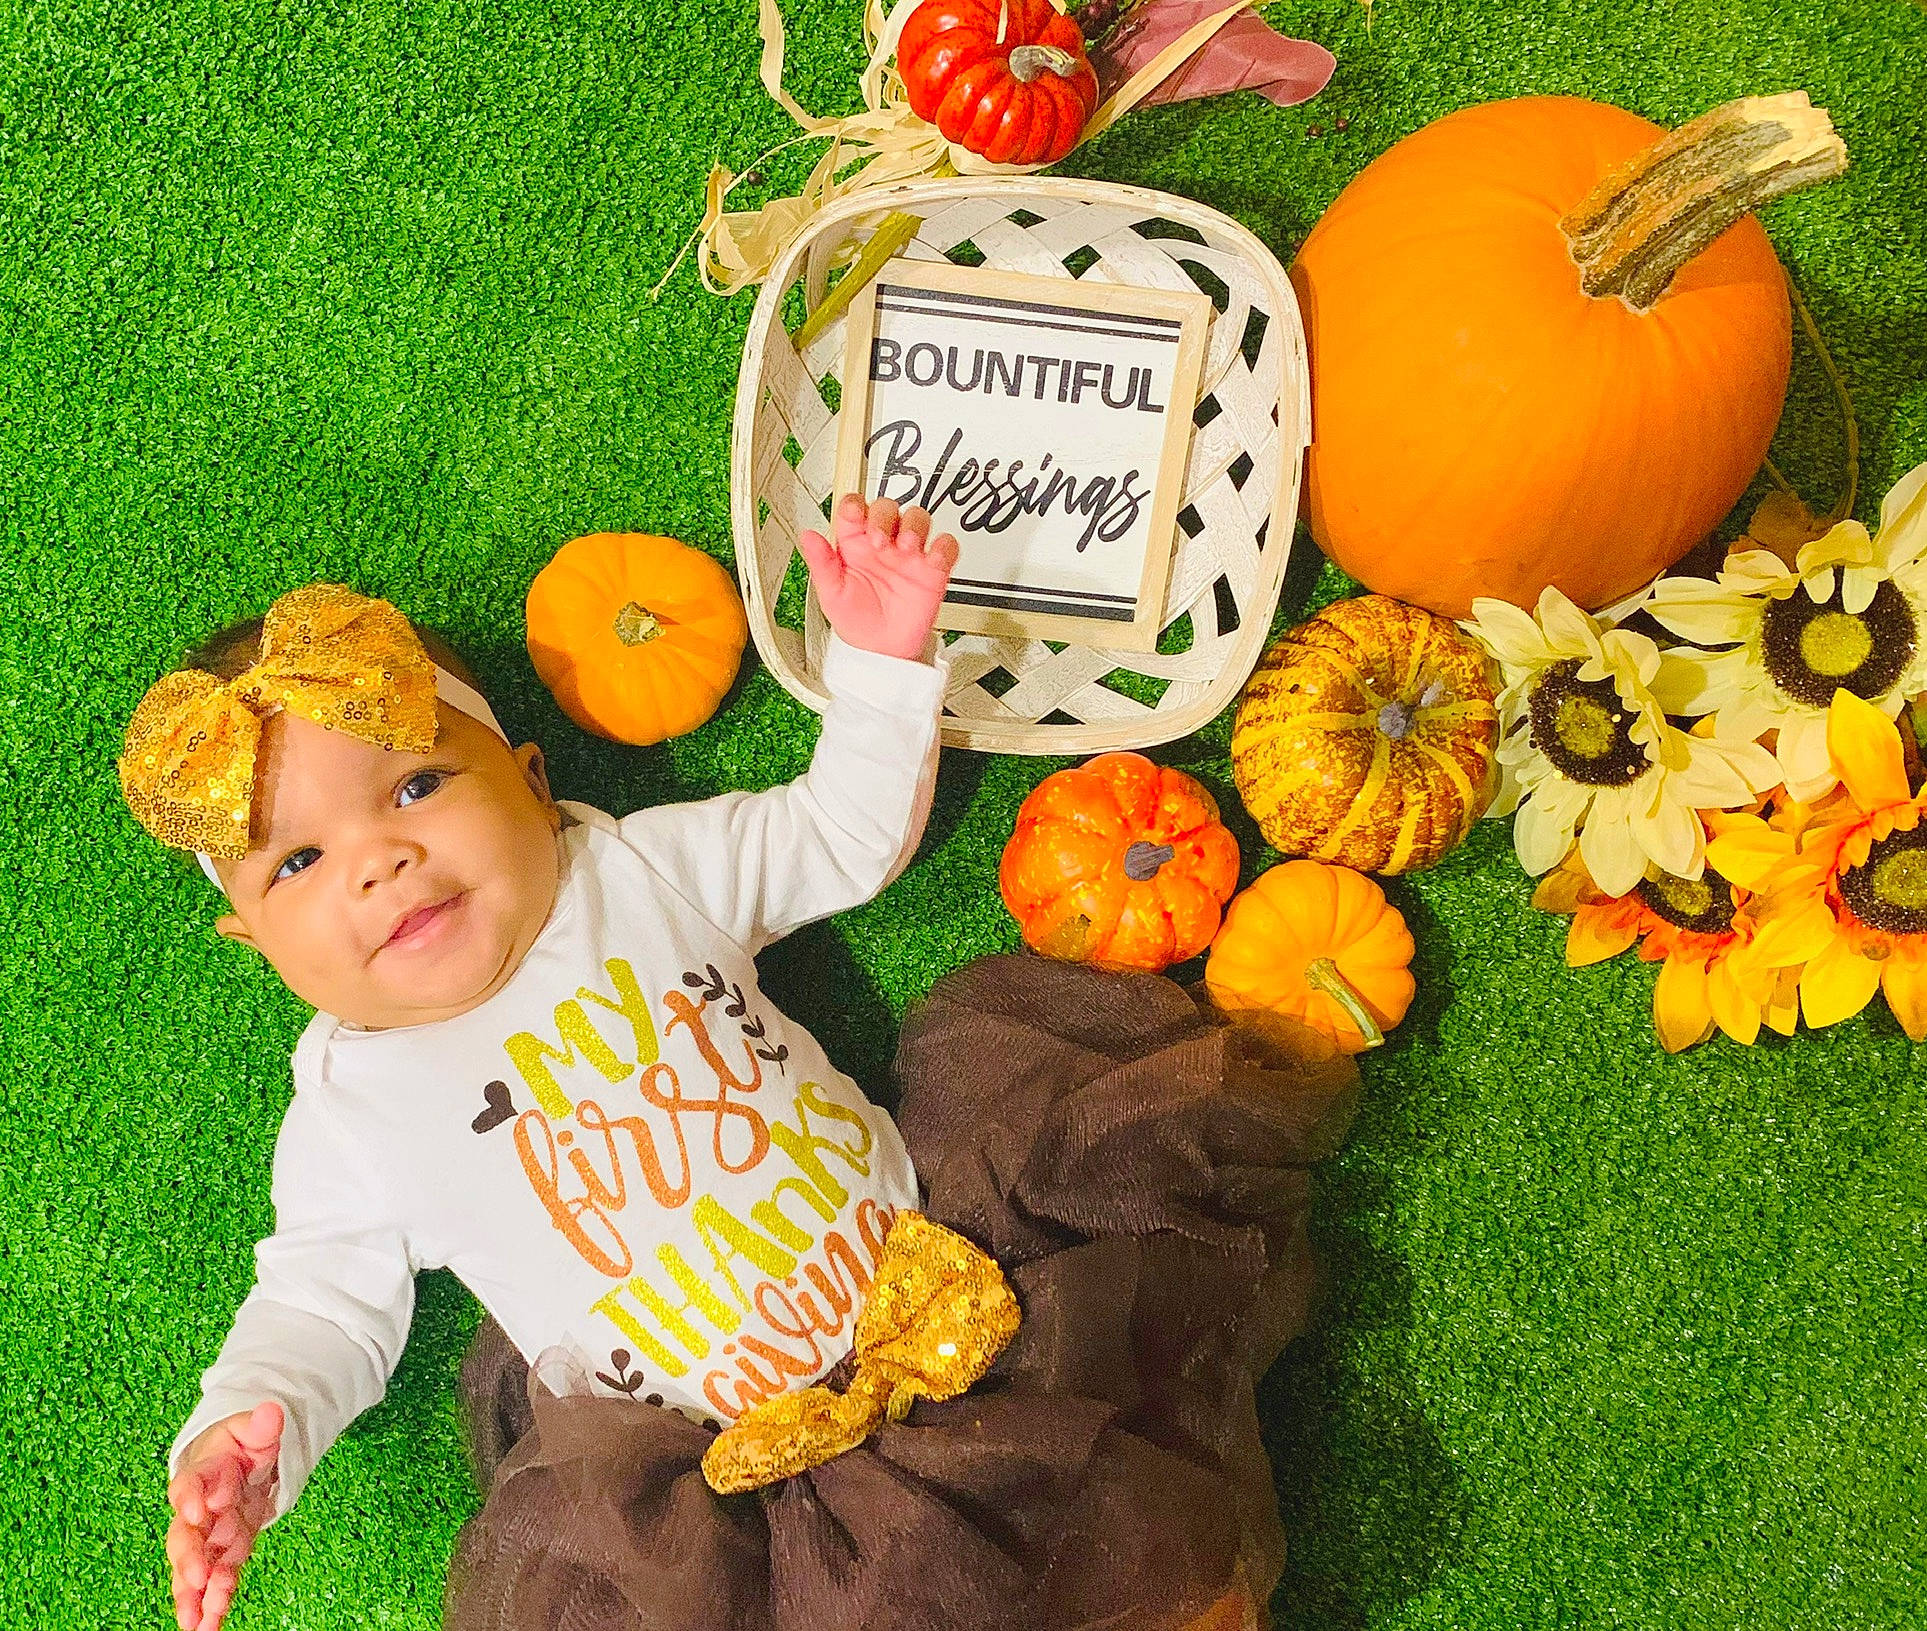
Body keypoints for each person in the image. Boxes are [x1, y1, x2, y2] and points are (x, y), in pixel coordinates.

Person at [133, 497, 1359, 1631]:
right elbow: (318, 1301)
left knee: (1143, 1561)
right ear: (253, 941)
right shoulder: (354, 1110)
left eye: (415, 783)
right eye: (295, 862)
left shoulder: (632, 873)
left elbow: (836, 834)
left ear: (531, 778)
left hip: (963, 1298)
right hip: (730, 1497)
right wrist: (254, 1431)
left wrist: (882, 664)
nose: (377, 858)